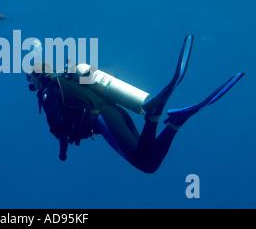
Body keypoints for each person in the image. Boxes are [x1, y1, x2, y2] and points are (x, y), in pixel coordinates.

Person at [26, 36, 244, 174]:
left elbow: (56, 123)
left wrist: (62, 145)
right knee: (150, 163)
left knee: (143, 162)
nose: (32, 85)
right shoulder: (68, 78)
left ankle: (155, 115)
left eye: (30, 79)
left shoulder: (48, 92)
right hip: (117, 112)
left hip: (103, 119)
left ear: (37, 77)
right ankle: (175, 122)